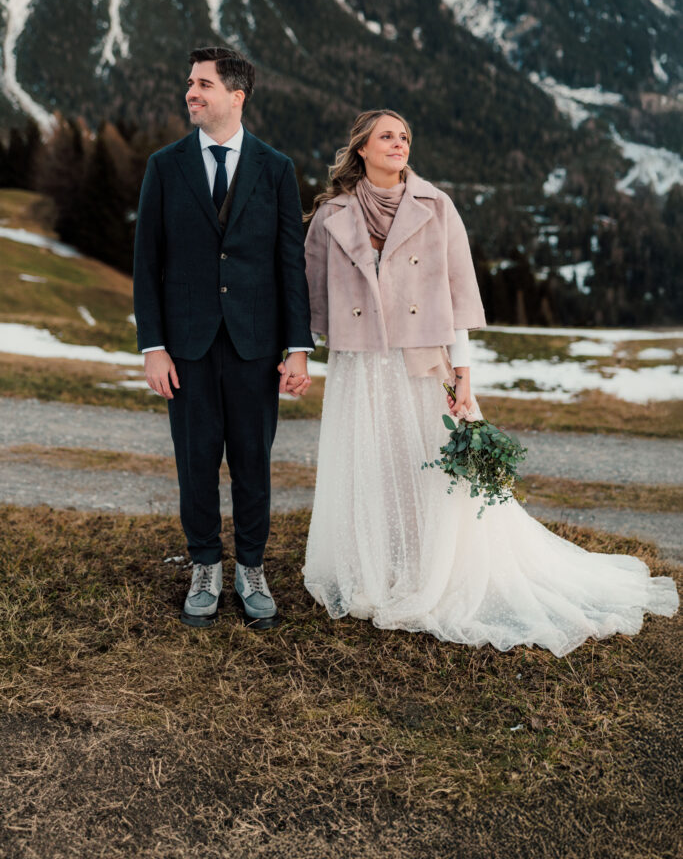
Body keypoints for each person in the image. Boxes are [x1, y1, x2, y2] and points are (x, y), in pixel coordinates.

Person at [303, 110, 678, 656]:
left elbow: (457, 295)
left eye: (405, 136)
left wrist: (463, 375)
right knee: (370, 462)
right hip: (360, 364)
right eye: (387, 136)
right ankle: (372, 567)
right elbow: (309, 293)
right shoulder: (331, 215)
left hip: (421, 358)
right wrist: (296, 351)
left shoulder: (436, 206)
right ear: (360, 147)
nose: (399, 144)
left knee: (426, 466)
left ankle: (424, 570)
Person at [134, 46, 313, 628]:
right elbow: (146, 263)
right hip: (184, 346)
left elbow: (291, 263)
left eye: (203, 84)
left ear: (236, 96)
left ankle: (251, 568)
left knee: (252, 463)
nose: (191, 92)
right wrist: (152, 345)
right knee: (195, 461)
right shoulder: (165, 165)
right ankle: (205, 565)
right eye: (190, 83)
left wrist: (298, 348)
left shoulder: (276, 168)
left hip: (255, 345)